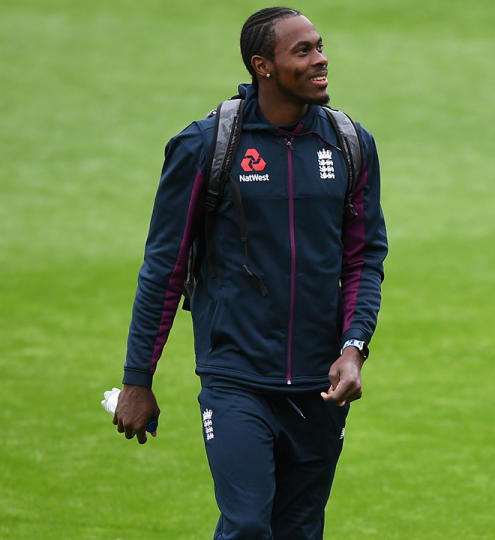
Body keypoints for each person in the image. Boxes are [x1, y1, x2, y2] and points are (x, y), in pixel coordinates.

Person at [113, 7, 387, 538]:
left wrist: (353, 348)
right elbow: (164, 271)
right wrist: (136, 380)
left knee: (300, 530)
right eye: (302, 51)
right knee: (245, 527)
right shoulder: (205, 146)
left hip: (319, 387)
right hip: (236, 378)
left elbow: (363, 259)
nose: (320, 59)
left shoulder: (350, 144)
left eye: (319, 46)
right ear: (263, 66)